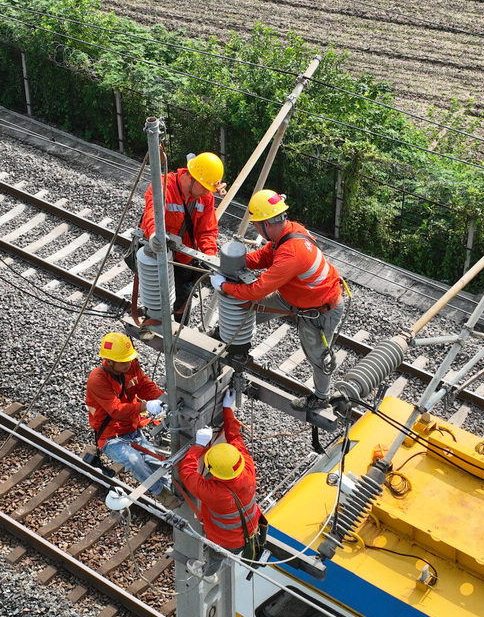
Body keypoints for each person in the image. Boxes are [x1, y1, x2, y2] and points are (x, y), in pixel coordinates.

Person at [209, 189, 345, 411]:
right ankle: (225, 334)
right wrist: (235, 261)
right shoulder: (288, 231)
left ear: (266, 224)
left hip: (319, 309)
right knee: (247, 308)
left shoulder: (292, 253)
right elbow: (264, 256)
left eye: (256, 224)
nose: (255, 228)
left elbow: (257, 290)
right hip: (296, 295)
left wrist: (224, 286)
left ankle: (321, 398)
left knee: (318, 356)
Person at [175, 392, 267, 557]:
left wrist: (199, 445)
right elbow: (235, 437)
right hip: (250, 530)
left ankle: (211, 567)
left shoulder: (214, 494)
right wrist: (227, 409)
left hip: (224, 541)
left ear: (213, 470)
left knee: (216, 557)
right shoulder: (247, 468)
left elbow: (186, 472)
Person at [140, 151, 226, 323]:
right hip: (158, 253)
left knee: (182, 300)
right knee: (157, 297)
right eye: (204, 187)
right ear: (191, 178)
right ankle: (154, 322)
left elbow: (207, 231)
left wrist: (210, 257)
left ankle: (180, 329)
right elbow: (152, 214)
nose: (206, 193)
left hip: (184, 258)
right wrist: (154, 235)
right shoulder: (163, 186)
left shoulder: (205, 198)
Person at [85, 332, 170, 495]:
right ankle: (160, 493)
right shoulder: (97, 380)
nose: (128, 364)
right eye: (123, 362)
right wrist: (145, 406)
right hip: (111, 437)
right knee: (135, 461)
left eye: (129, 359)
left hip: (131, 429)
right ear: (109, 361)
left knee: (156, 463)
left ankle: (171, 488)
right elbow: (116, 410)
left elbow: (144, 386)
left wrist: (163, 399)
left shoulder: (131, 366)